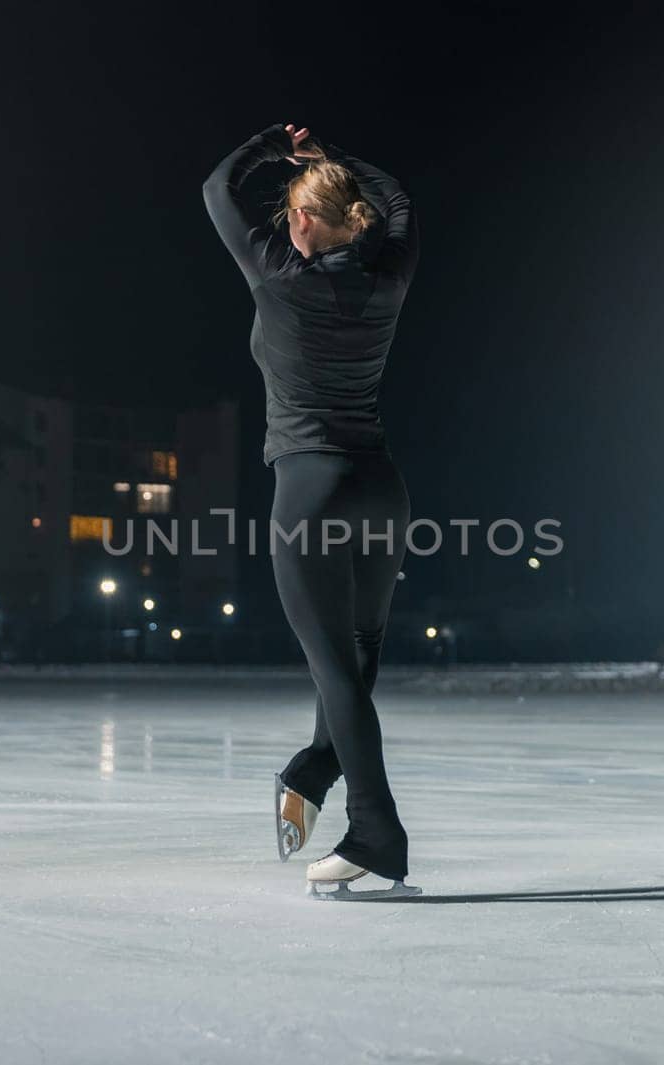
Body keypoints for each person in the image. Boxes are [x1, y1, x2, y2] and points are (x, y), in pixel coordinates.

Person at [202, 122, 420, 896]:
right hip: (381, 491)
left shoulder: (280, 281)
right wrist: (334, 158)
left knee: (336, 672)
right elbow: (397, 202)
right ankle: (314, 766)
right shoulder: (388, 277)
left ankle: (376, 832)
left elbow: (216, 187)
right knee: (352, 665)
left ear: (298, 221)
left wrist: (276, 143)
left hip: (310, 491)